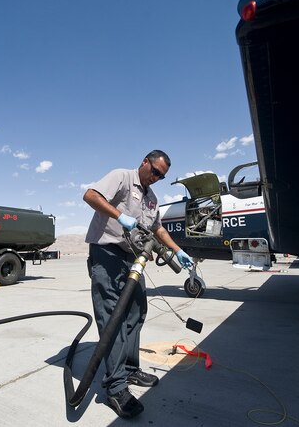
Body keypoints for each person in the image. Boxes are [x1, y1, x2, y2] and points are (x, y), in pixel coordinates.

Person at [83, 149, 194, 418]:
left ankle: (130, 370)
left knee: (136, 313)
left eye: (162, 176)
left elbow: (158, 229)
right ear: (145, 162)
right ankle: (115, 387)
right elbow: (90, 195)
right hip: (107, 254)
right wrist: (118, 215)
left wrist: (178, 250)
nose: (156, 177)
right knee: (113, 318)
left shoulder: (152, 198)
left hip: (133, 259)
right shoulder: (122, 177)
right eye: (155, 171)